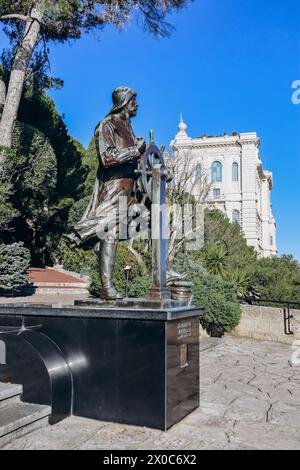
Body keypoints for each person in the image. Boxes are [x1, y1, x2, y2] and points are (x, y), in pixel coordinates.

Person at [64, 86, 146, 300]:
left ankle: (106, 279)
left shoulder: (128, 127)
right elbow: (107, 158)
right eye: (134, 100)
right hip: (112, 190)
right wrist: (135, 151)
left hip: (130, 192)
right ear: (124, 102)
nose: (137, 104)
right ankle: (106, 287)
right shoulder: (107, 125)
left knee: (120, 233)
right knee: (107, 233)